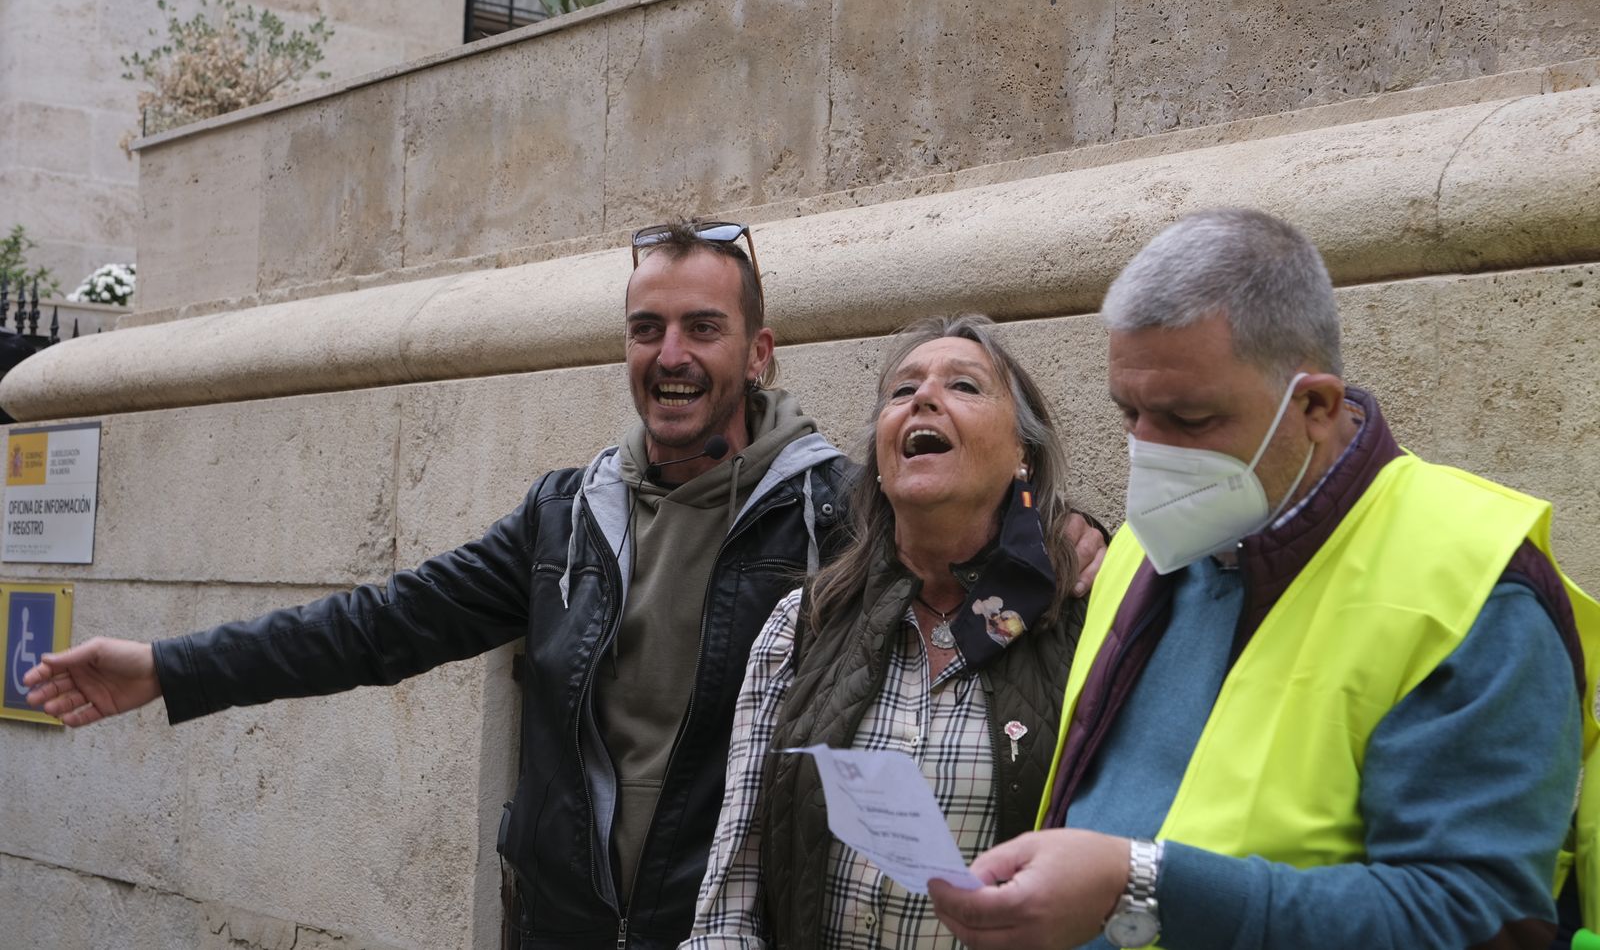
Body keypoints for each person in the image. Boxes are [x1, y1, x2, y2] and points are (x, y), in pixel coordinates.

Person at [25, 222, 1107, 950]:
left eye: (701, 328)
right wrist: (167, 667)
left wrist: (1065, 532)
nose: (670, 355)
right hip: (563, 921)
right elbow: (381, 625)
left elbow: (966, 537)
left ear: (760, 351)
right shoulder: (565, 515)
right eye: (647, 329)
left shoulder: (832, 510)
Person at [928, 207, 1600, 950]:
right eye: (1129, 414)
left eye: (1188, 419)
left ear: (1314, 404)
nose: (1148, 454)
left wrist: (1144, 885)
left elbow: (1476, 920)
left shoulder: (1475, 582)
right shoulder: (1148, 549)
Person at [684, 313, 1086, 948]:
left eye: (966, 386)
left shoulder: (1082, 629)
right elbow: (731, 896)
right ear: (878, 456)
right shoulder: (801, 626)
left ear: (1022, 457)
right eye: (903, 391)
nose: (924, 397)